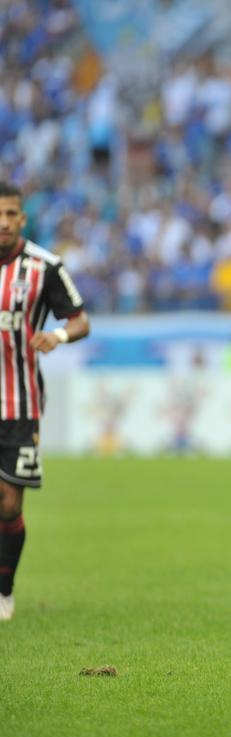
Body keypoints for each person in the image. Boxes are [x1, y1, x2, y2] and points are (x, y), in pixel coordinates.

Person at [0, 182, 91, 621]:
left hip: (21, 404)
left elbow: (79, 320)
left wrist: (55, 335)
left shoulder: (44, 266)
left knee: (9, 503)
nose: (3, 222)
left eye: (11, 214)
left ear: (23, 218)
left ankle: (3, 591)